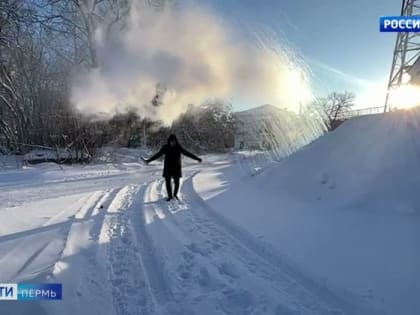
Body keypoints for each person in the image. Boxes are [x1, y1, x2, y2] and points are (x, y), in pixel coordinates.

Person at [143, 134, 202, 201]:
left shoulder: (178, 148)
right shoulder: (165, 148)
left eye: (174, 141)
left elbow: (187, 153)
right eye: (171, 141)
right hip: (168, 167)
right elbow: (157, 155)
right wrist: (148, 160)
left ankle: (175, 195)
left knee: (177, 182)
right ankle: (170, 196)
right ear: (169, 141)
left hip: (176, 168)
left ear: (176, 141)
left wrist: (197, 158)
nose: (173, 143)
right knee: (168, 182)